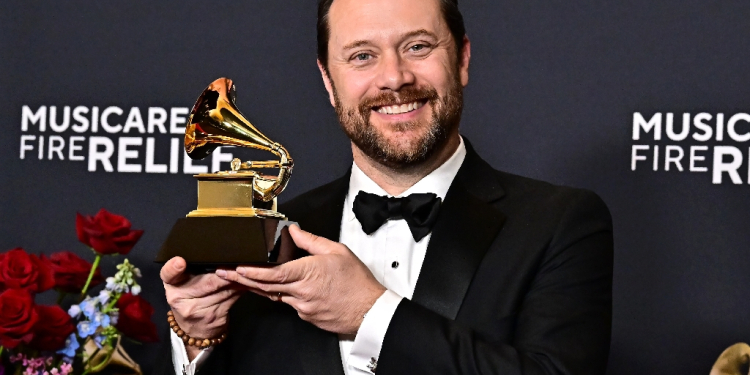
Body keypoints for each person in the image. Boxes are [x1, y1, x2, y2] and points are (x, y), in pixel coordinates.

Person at [156, 0, 614, 374]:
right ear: (328, 82)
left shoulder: (559, 222)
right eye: (362, 55)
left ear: (463, 59)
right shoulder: (274, 235)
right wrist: (198, 339)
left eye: (417, 46)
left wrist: (371, 314)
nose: (394, 77)